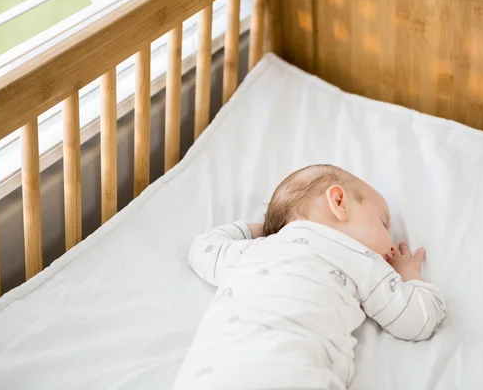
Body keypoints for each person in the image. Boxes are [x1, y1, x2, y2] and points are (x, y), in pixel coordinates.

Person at [174, 164, 446, 389]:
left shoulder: (254, 251)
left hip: (209, 375)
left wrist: (263, 230)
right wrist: (409, 275)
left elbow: (203, 249)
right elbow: (417, 321)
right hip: (295, 374)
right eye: (384, 222)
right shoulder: (359, 258)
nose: (391, 241)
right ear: (339, 202)